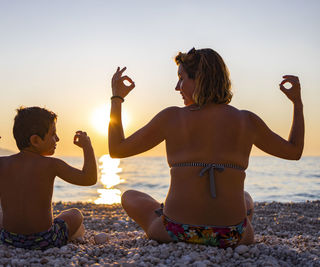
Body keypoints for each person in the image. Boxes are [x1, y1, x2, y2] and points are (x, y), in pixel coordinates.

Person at [109, 48, 304, 248]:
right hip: (232, 235)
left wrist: (117, 98)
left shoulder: (172, 117)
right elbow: (294, 151)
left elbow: (117, 149)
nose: (177, 87)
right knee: (246, 199)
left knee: (129, 196)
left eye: (181, 78)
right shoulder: (247, 120)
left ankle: (169, 211)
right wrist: (297, 102)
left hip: (176, 231)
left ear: (200, 79)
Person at [0, 106, 97, 250]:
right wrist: (87, 147)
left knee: (1, 215)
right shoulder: (52, 164)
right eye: (53, 134)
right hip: (45, 240)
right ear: (36, 140)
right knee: (75, 214)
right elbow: (89, 178)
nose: (57, 139)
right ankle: (74, 234)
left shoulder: (1, 163)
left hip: (9, 239)